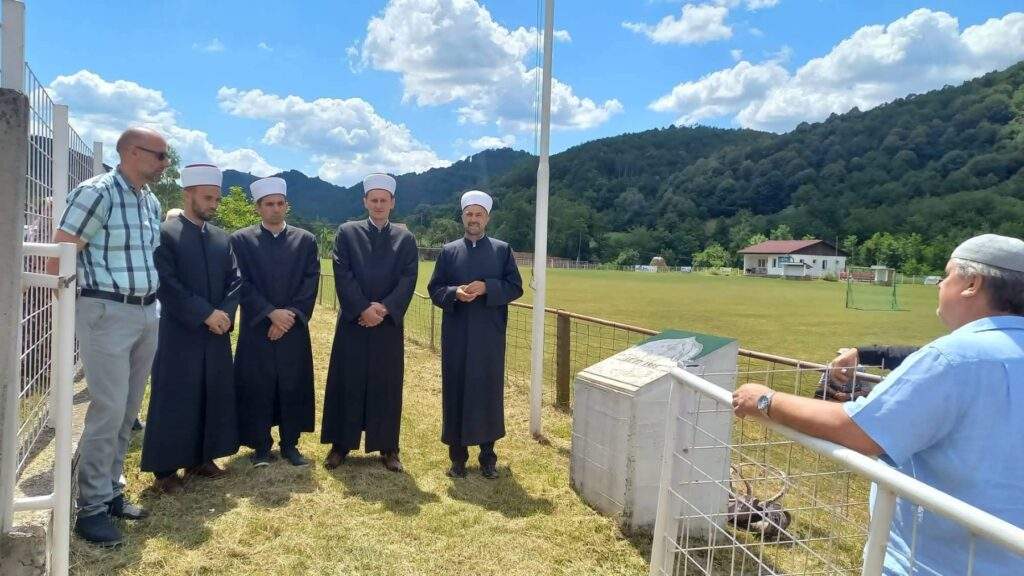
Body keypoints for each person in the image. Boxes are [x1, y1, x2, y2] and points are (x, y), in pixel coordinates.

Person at [733, 233, 1024, 575]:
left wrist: (765, 400)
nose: (940, 285)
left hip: (932, 563)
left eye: (947, 275)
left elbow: (858, 430)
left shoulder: (952, 358)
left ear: (972, 283)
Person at [52, 127, 166, 546]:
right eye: (160, 156)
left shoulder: (149, 200)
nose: (164, 164)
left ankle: (111, 489)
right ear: (133, 153)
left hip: (145, 311)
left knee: (128, 409)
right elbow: (63, 249)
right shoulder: (96, 192)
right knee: (108, 408)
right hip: (106, 311)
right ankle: (92, 508)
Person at [140, 163, 241, 492]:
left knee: (211, 393)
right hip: (180, 332)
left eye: (216, 199)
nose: (213, 204)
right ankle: (165, 469)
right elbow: (166, 283)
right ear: (188, 194)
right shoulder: (164, 234)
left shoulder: (220, 238)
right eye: (208, 197)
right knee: (175, 396)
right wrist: (205, 314)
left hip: (215, 334)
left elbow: (235, 281)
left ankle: (202, 458)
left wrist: (224, 314)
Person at [321, 173, 418, 472]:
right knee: (347, 381)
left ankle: (388, 447)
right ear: (364, 201)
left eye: (383, 200)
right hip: (353, 322)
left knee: (386, 384)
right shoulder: (347, 233)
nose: (378, 205)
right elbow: (343, 273)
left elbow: (408, 278)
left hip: (387, 325)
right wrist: (362, 309)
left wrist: (385, 308)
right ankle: (341, 445)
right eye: (373, 200)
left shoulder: (405, 239)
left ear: (392, 203)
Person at [427, 190, 523, 479]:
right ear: (463, 217)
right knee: (456, 389)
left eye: (479, 214)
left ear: (487, 218)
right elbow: (435, 290)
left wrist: (487, 287)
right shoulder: (448, 251)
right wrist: (454, 292)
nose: (474, 219)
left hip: (488, 336)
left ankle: (488, 457)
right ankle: (457, 458)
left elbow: (515, 287)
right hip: (456, 334)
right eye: (469, 214)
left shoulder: (502, 250)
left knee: (487, 392)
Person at [230, 177, 320, 467]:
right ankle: (260, 446)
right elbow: (240, 282)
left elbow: (310, 282)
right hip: (258, 328)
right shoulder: (241, 240)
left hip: (292, 328)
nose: (275, 209)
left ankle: (290, 444)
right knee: (257, 385)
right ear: (258, 208)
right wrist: (270, 313)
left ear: (286, 206)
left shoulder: (305, 240)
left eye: (280, 203)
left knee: (293, 384)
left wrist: (287, 317)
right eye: (269, 204)